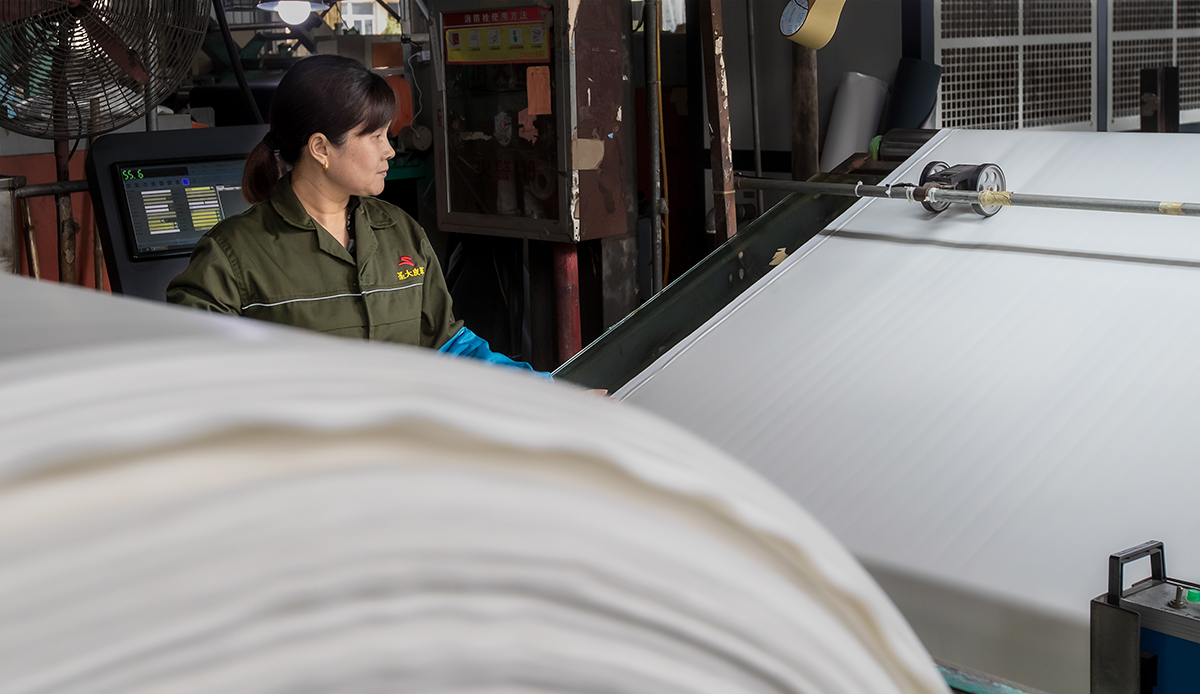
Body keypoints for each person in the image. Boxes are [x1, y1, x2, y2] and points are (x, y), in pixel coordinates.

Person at [167, 55, 546, 377]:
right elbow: (191, 376)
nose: (390, 150)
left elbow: (446, 344)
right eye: (375, 136)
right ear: (321, 148)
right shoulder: (232, 255)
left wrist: (540, 388)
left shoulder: (399, 231)